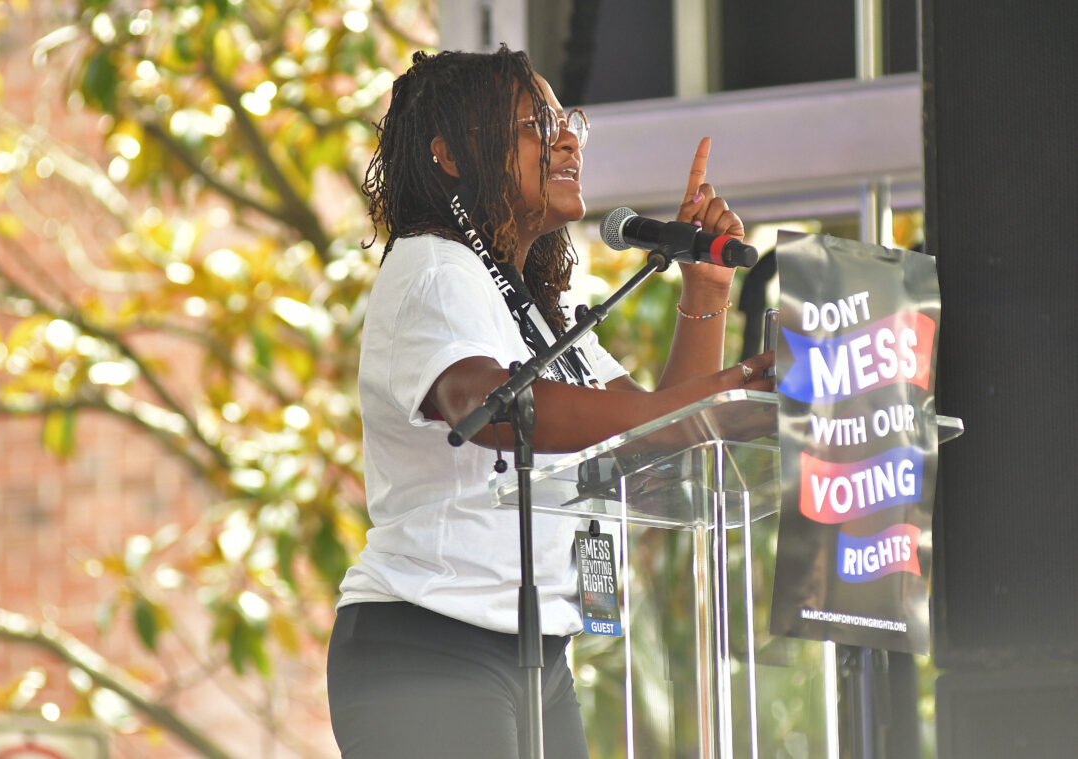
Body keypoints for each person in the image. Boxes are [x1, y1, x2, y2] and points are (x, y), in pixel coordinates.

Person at [326, 47, 774, 759]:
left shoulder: (539, 312)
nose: (566, 139)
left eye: (568, 121)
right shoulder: (431, 265)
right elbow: (488, 404)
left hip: (537, 653)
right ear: (449, 154)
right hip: (429, 643)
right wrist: (712, 397)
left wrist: (706, 293)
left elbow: (662, 436)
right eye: (537, 122)